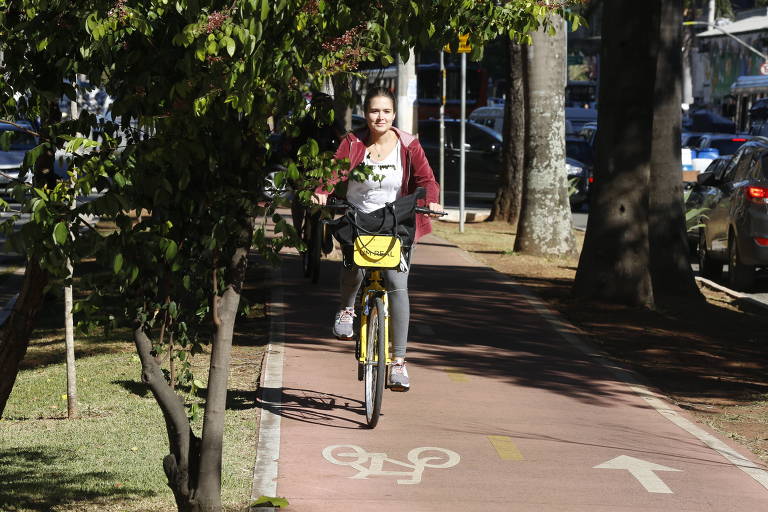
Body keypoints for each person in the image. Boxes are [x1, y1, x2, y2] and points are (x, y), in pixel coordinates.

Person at [313, 86, 441, 391]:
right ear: (365, 113)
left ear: (393, 114)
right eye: (374, 111)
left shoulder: (409, 145)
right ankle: (346, 309)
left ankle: (398, 362)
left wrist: (432, 201)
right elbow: (334, 172)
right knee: (354, 266)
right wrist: (322, 191)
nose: (379, 116)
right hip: (358, 218)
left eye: (386, 111)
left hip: (397, 221)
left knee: (397, 285)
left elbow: (426, 179)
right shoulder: (352, 142)